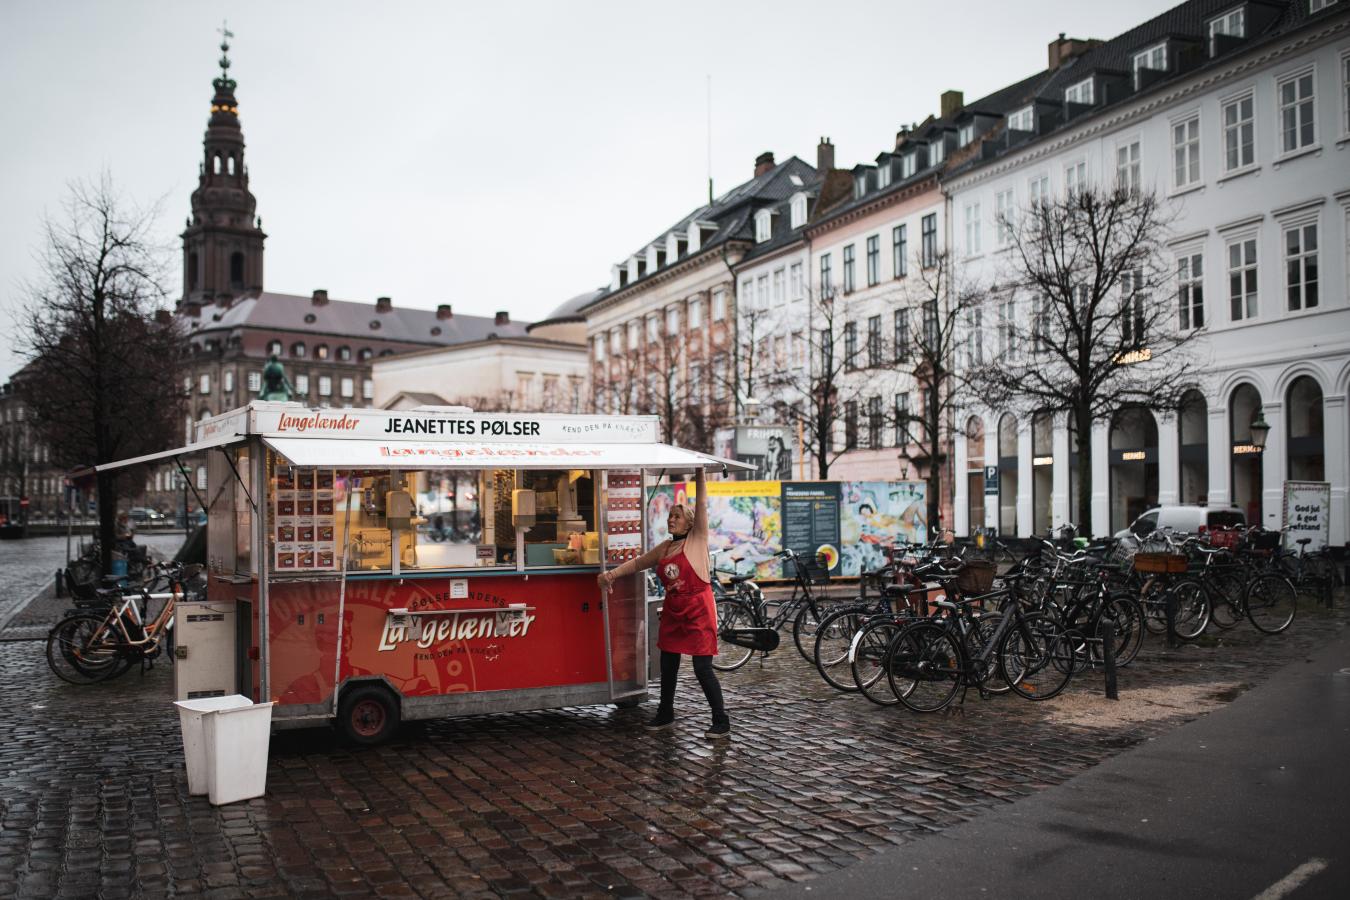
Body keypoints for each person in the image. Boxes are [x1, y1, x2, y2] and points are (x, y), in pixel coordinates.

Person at [598, 469, 730, 738]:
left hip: (698, 611)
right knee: (668, 663)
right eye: (670, 516)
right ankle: (666, 713)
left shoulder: (698, 540)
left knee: (702, 667)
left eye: (677, 516)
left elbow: (702, 504)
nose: (671, 519)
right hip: (673, 610)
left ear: (690, 524)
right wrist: (610, 575)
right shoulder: (666, 548)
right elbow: (638, 563)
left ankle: (721, 720)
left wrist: (700, 473)